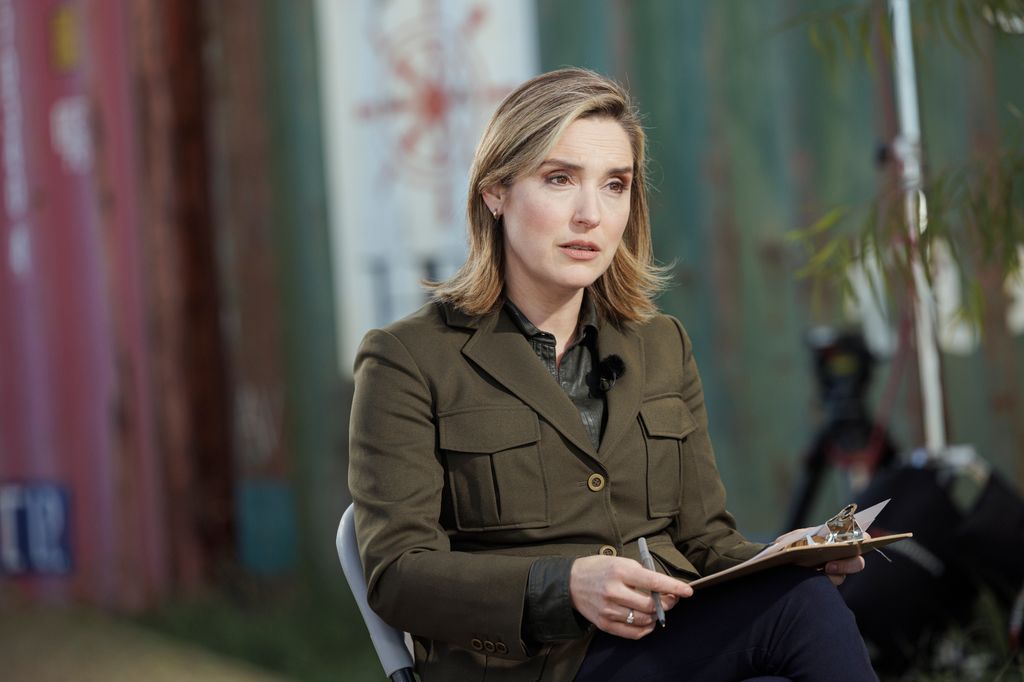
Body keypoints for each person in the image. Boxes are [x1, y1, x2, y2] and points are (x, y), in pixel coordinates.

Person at [348, 68, 877, 681]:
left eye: (615, 185)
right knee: (798, 619)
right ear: (496, 192)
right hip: (533, 666)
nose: (590, 215)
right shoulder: (407, 359)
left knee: (799, 605)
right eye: (559, 180)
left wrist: (787, 556)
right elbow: (397, 574)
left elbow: (707, 542)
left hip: (668, 639)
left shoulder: (661, 345)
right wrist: (563, 586)